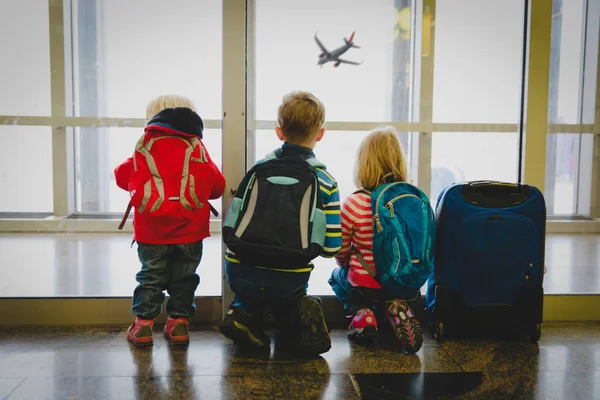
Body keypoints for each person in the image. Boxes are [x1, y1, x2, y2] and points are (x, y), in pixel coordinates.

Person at [220, 90, 342, 356]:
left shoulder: (258, 169)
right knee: (289, 299)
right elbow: (332, 247)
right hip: (289, 278)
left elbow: (233, 224)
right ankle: (293, 323)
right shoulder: (326, 181)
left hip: (240, 271)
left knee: (251, 290)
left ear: (278, 132)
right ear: (320, 134)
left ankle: (244, 312)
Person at [114, 95, 225, 347]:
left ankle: (143, 325)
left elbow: (122, 176)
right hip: (191, 231)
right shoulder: (197, 147)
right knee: (184, 277)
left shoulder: (147, 146)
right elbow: (217, 187)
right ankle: (179, 325)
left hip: (151, 231)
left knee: (150, 276)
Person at [328, 126, 426, 354]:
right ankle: (397, 309)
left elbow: (340, 251)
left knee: (337, 278)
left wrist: (344, 263)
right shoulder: (412, 200)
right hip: (406, 285)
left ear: (363, 164)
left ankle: (362, 313)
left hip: (367, 286)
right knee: (393, 289)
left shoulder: (355, 203)